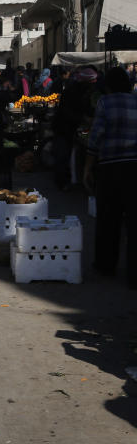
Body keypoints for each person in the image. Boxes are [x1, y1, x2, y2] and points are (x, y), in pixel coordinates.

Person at [84, 66, 137, 288]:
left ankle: (106, 265)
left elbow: (96, 137)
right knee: (134, 222)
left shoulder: (105, 102)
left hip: (110, 168)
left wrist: (87, 168)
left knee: (109, 219)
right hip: (134, 168)